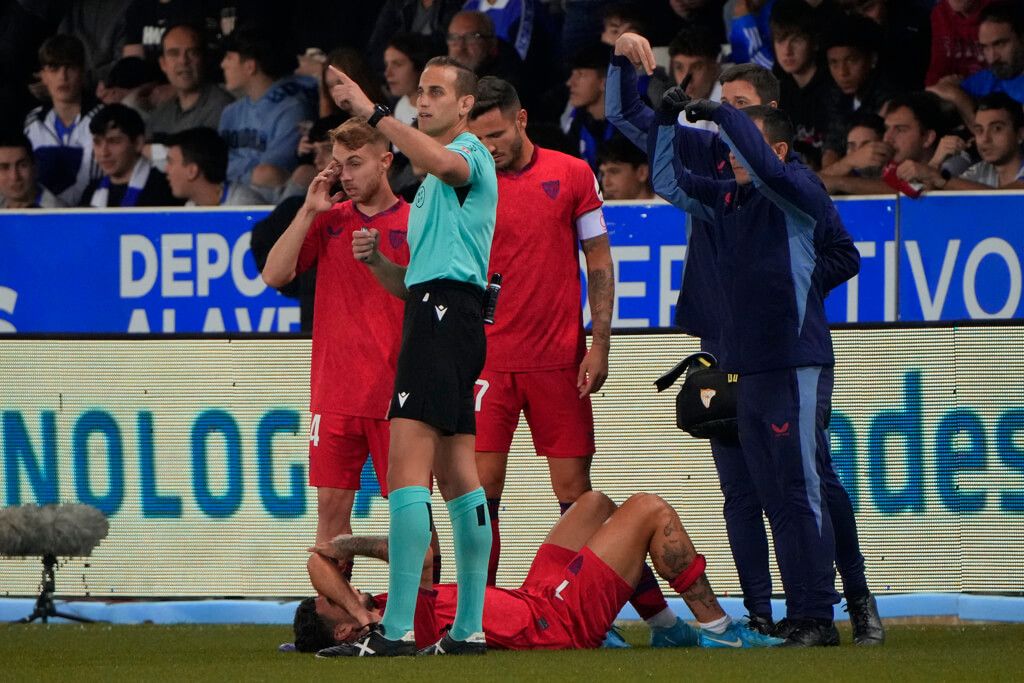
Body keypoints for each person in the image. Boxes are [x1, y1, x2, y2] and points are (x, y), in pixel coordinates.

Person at [611, 31, 883, 647]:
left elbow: (765, 168)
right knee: (774, 494)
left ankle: (819, 612)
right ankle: (798, 613)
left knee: (800, 491)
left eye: (741, 134)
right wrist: (665, 110)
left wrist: (714, 111)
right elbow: (666, 178)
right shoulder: (728, 200)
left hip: (792, 360)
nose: (728, 149)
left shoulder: (797, 190)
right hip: (748, 366)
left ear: (778, 146)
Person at [326, 55, 497, 656]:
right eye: (418, 93)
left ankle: (395, 631)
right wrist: (378, 264)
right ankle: (468, 629)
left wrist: (372, 111)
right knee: (457, 477)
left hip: (446, 319)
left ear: (465, 105)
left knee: (406, 469)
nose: (422, 102)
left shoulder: (469, 155)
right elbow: (417, 281)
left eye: (435, 93)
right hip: (443, 312)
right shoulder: (427, 186)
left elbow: (445, 162)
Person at [301, 490, 783, 653]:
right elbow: (423, 553)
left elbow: (320, 566)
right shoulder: (396, 627)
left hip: (535, 597)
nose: (351, 586)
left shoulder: (388, 607)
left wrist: (340, 569)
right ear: (344, 626)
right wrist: (352, 547)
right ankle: (721, 632)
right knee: (651, 511)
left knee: (593, 504)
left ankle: (666, 630)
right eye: (338, 596)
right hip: (556, 622)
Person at [261, 117, 421, 584]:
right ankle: (347, 619)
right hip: (336, 395)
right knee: (330, 523)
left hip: (400, 396)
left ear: (386, 161)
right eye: (338, 165)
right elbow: (274, 275)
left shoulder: (416, 221)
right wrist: (309, 210)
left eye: (355, 163)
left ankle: (412, 620)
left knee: (412, 519)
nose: (345, 175)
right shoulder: (328, 220)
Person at [218, 27, 316, 200]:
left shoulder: (292, 109)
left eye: (229, 58)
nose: (223, 64)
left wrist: (233, 170)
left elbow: (271, 174)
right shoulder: (230, 112)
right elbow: (216, 169)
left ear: (250, 66)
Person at [23, 34, 103, 206]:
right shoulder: (32, 121)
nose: (63, 77)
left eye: (70, 67)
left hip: (91, 217)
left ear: (82, 72)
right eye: (54, 68)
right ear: (43, 75)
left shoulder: (103, 119)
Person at [145, 23, 234, 168]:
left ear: (204, 59)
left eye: (192, 52)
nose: (183, 61)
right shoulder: (161, 113)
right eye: (174, 53)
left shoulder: (223, 108)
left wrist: (154, 153)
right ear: (163, 64)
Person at [897, 92, 1024, 191]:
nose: (985, 138)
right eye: (979, 130)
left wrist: (940, 178)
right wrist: (935, 163)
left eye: (997, 129)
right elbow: (921, 195)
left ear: (1020, 134)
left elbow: (1007, 198)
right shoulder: (980, 170)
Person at [80, 103, 178, 207]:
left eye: (114, 141)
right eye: (97, 142)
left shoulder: (164, 187)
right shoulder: (91, 190)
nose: (104, 153)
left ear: (138, 143)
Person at [164, 127, 264, 206]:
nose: (166, 169)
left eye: (171, 162)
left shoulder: (244, 206)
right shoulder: (190, 208)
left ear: (192, 171)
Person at [563, 44, 615, 173]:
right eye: (572, 74)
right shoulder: (577, 121)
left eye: (580, 75)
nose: (570, 83)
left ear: (604, 82)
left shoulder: (630, 125)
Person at [667, 26, 723, 134]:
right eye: (679, 67)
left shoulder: (733, 107)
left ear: (715, 69)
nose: (686, 78)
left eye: (697, 67)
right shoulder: (677, 112)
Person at [925, 0, 991, 87]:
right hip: (950, 90)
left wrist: (964, 85)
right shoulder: (940, 13)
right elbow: (937, 68)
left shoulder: (999, 11)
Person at [0, 131, 67, 209]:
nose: (14, 177)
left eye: (22, 165)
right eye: (4, 167)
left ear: (35, 168)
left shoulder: (58, 214)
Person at [597, 134, 655, 199]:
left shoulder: (667, 206)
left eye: (614, 171)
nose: (606, 183)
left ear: (642, 172)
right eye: (602, 174)